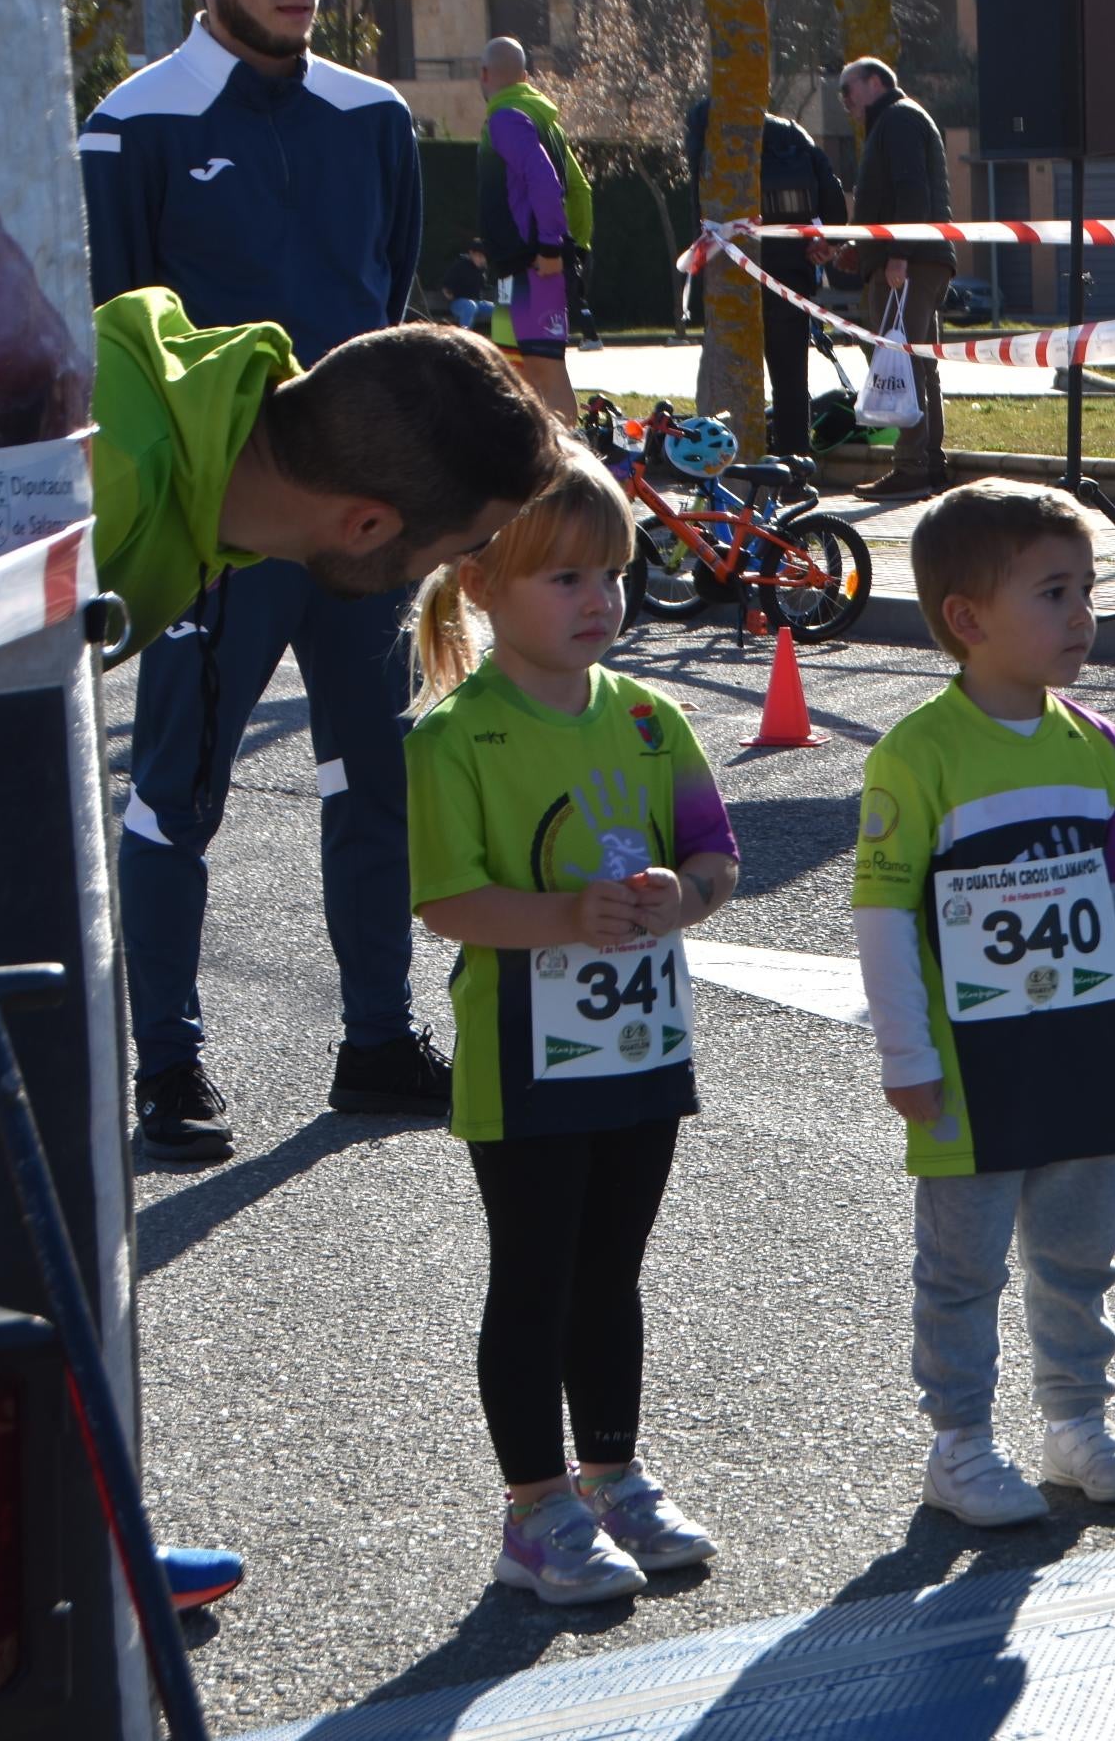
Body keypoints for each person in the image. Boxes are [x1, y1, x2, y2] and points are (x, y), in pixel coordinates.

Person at [79, 0, 450, 1166]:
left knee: (375, 781)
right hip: (220, 540)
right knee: (178, 795)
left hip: (366, 531)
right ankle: (170, 1071)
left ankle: (376, 1039)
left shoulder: (376, 119)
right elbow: (119, 347)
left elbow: (385, 299)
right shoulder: (133, 125)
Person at [404, 448, 740, 1603]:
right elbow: (447, 899)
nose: (599, 599)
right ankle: (535, 1508)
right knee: (536, 1273)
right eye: (566, 579)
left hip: (641, 1050)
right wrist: (564, 912)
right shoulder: (456, 736)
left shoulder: (650, 717)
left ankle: (615, 1475)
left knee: (614, 1271)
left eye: (612, 573)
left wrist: (680, 896)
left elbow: (715, 849)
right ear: (483, 585)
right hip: (522, 1062)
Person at [851, 481, 1115, 1526]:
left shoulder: (1090, 744)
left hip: (1081, 1056)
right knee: (963, 1265)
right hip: (969, 1071)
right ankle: (959, 1442)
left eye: (1087, 589)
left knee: (1079, 1251)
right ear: (967, 617)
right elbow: (883, 911)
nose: (1083, 615)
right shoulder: (921, 751)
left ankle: (1076, 1422)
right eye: (1053, 592)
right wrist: (906, 1050)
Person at [93, 287, 557, 649]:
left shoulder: (224, 445)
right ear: (368, 525)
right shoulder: (99, 478)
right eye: (469, 545)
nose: (460, 564)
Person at [685, 97, 846, 458]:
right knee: (790, 377)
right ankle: (796, 464)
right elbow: (833, 196)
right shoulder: (793, 134)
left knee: (730, 373)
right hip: (791, 270)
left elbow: (699, 204)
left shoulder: (710, 133)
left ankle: (733, 460)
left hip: (731, 270)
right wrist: (829, 242)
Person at [837, 56, 955, 497]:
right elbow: (895, 197)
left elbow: (912, 192)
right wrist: (863, 249)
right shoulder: (898, 121)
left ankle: (911, 467)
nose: (845, 101)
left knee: (899, 365)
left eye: (847, 91)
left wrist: (898, 255)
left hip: (911, 264)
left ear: (873, 83)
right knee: (919, 366)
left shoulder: (898, 120)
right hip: (920, 260)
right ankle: (929, 465)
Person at [477, 38, 588, 418]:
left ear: (484, 75)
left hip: (533, 265)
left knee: (546, 374)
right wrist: (580, 248)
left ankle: (568, 473)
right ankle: (532, 470)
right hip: (516, 268)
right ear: (525, 77)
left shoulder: (505, 118)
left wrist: (552, 249)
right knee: (515, 375)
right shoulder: (546, 125)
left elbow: (545, 181)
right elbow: (579, 190)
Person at [440, 238, 493, 333]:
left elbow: (483, 286)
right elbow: (445, 284)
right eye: (479, 256)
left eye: (483, 257)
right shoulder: (460, 265)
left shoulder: (481, 269)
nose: (481, 259)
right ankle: (465, 336)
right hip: (458, 303)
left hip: (477, 303)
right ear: (471, 253)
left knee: (499, 310)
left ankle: (502, 341)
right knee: (470, 306)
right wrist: (447, 292)